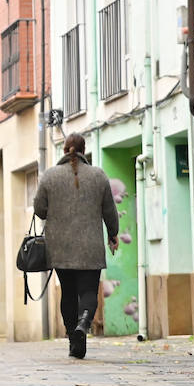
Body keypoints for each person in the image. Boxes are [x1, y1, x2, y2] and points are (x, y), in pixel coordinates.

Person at [32, 132, 119, 360]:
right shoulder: (98, 176)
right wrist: (113, 234)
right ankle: (84, 324)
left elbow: (40, 209)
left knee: (68, 293)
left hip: (60, 247)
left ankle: (73, 337)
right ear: (83, 149)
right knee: (89, 291)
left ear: (64, 150)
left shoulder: (49, 176)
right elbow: (110, 210)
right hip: (91, 247)